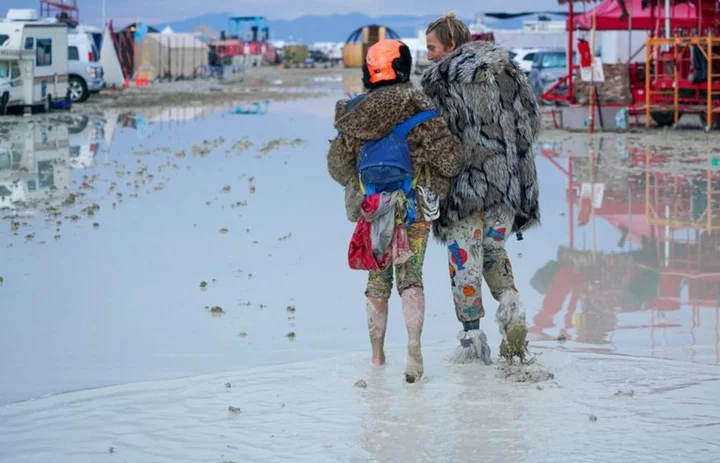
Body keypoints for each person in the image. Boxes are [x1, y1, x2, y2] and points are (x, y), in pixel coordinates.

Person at [327, 39, 462, 382]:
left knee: (377, 282)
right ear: (403, 68)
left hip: (372, 210)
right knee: (411, 277)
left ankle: (376, 358)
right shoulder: (421, 108)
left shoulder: (355, 113)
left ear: (368, 71)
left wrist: (364, 188)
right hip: (414, 208)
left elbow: (337, 166)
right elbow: (451, 160)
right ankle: (414, 348)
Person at [421, 13, 542, 363]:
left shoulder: (440, 81)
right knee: (494, 255)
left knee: (465, 264)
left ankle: (473, 341)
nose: (428, 55)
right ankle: (513, 312)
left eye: (432, 48)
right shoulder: (508, 72)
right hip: (507, 188)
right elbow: (530, 125)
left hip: (465, 190)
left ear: (451, 45)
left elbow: (435, 142)